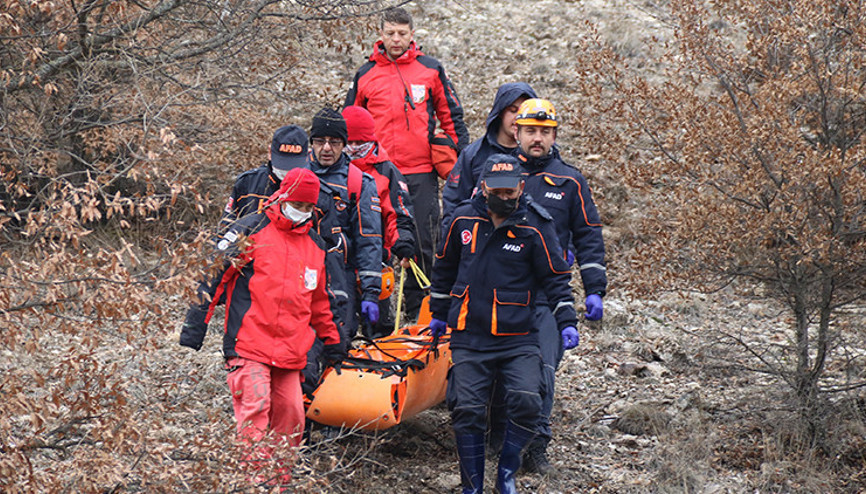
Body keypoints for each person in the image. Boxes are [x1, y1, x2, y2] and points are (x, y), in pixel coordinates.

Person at [179, 166, 346, 486]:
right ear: (282, 197)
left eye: (310, 208)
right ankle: (255, 483)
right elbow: (213, 275)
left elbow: (321, 302)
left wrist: (334, 341)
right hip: (248, 344)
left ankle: (276, 484)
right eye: (300, 205)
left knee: (293, 419)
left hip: (291, 352)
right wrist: (195, 326)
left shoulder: (315, 247)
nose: (304, 212)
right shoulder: (249, 230)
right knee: (256, 409)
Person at [428, 154, 580, 494]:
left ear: (521, 187)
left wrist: (566, 319)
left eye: (510, 192)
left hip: (518, 335)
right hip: (469, 334)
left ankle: (506, 474)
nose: (504, 198)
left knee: (528, 400)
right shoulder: (462, 221)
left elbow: (556, 278)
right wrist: (438, 313)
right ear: (483, 187)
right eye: (497, 191)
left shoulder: (535, 226)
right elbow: (444, 268)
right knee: (466, 409)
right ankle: (473, 486)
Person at [344, 6, 470, 321]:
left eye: (402, 33)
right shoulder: (365, 74)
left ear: (412, 35)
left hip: (421, 172)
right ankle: (377, 312)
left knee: (425, 241)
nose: (396, 39)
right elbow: (350, 122)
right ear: (381, 35)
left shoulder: (430, 69)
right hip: (376, 172)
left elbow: (451, 115)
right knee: (376, 240)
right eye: (390, 33)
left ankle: (418, 311)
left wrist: (461, 158)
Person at [513, 98, 608, 474]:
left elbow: (588, 235)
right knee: (499, 372)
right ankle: (499, 438)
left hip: (550, 296)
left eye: (545, 132)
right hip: (501, 294)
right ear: (516, 131)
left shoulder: (570, 180)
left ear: (554, 135)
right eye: (531, 131)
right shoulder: (499, 172)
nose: (538, 139)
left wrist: (595, 288)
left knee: (543, 371)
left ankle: (537, 445)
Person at [307, 107, 384, 340]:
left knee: (339, 338)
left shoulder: (359, 183)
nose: (327, 148)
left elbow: (369, 239)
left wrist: (370, 292)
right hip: (301, 271)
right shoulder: (297, 174)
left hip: (341, 274)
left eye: (334, 142)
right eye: (320, 141)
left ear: (344, 144)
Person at [342, 105, 417, 338]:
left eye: (360, 145)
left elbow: (399, 214)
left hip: (377, 262)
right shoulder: (330, 170)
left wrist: (403, 243)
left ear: (371, 141)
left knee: (380, 330)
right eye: (349, 144)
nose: (354, 150)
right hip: (338, 263)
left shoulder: (387, 171)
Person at [441, 82, 537, 229]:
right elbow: (453, 201)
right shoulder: (474, 154)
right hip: (482, 240)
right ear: (500, 113)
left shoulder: (541, 155)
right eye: (512, 110)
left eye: (524, 112)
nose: (518, 117)